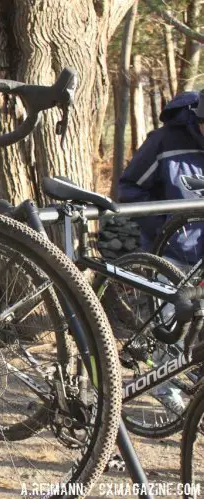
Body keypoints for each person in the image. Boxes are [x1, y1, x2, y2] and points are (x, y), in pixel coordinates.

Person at [117, 90, 204, 416]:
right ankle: (164, 389)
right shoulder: (165, 142)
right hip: (172, 254)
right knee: (173, 329)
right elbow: (129, 188)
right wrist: (163, 226)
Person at [118, 90, 204, 260]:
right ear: (200, 119)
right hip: (174, 258)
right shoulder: (163, 142)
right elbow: (129, 189)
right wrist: (165, 229)